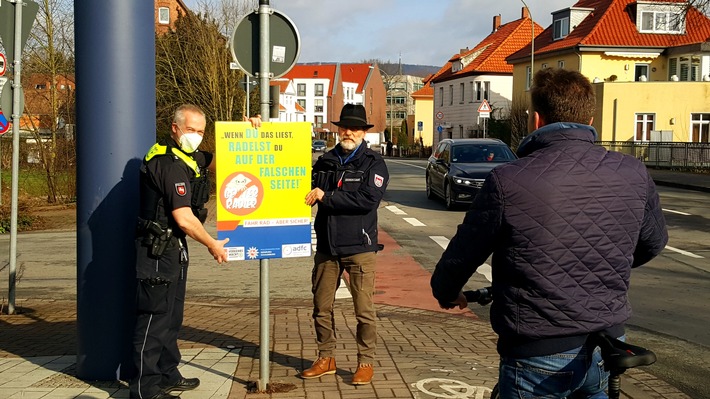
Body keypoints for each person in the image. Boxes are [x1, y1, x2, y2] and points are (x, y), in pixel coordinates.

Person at [431, 69, 668, 398]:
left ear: (537, 119)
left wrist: (446, 291)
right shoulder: (632, 171)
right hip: (607, 341)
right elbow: (653, 243)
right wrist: (603, 266)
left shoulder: (509, 179)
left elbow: (463, 253)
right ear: (590, 115)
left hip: (538, 346)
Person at [130, 105, 261, 399]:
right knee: (154, 318)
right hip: (156, 250)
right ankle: (144, 389)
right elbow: (184, 218)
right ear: (175, 128)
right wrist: (212, 243)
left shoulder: (187, 157)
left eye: (201, 131)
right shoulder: (168, 163)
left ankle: (167, 374)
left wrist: (244, 133)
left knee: (172, 316)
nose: (197, 137)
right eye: (191, 130)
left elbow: (225, 162)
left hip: (173, 247)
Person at [301, 103, 389, 385]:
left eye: (355, 128)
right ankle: (325, 357)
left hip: (360, 248)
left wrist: (326, 197)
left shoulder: (374, 164)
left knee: (364, 310)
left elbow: (367, 200)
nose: (349, 132)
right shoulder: (325, 161)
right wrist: (256, 132)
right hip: (327, 247)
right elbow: (296, 184)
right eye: (344, 127)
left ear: (364, 132)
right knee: (321, 306)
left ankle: (365, 362)